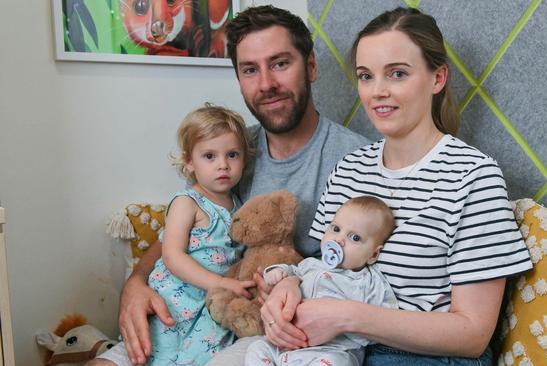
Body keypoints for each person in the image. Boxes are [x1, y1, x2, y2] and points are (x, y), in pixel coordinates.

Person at [91, 5, 368, 366]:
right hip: (191, 317)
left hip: (275, 333)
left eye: (280, 63)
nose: (266, 83)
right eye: (250, 70)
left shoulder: (356, 160)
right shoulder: (232, 153)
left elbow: (368, 276)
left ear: (311, 67)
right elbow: (178, 234)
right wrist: (136, 283)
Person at [260, 7, 533, 365]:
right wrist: (288, 287)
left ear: (437, 79)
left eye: (397, 74)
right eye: (365, 76)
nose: (377, 92)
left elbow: (473, 333)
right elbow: (325, 264)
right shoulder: (350, 169)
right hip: (334, 348)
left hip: (423, 357)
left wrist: (347, 316)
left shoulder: (473, 176)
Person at [146, 105, 256, 364]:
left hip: (212, 301)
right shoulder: (188, 202)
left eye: (232, 155)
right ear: (188, 161)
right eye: (209, 156)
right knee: (165, 355)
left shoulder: (239, 205)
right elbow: (172, 255)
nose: (223, 165)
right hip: (178, 298)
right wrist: (218, 283)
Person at [245, 196, 398, 365]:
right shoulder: (311, 264)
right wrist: (277, 273)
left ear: (373, 254)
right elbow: (291, 271)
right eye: (336, 228)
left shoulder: (369, 282)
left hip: (332, 351)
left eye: (354, 238)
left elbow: (384, 319)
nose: (339, 240)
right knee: (258, 348)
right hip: (286, 347)